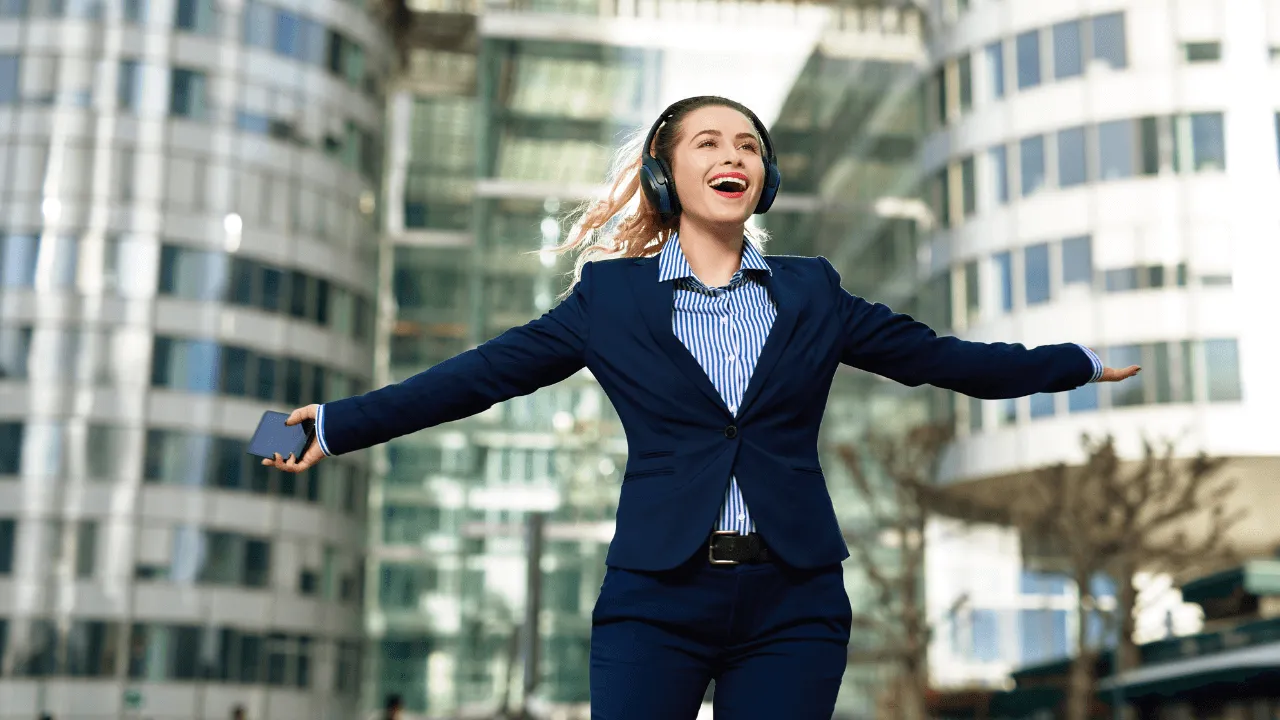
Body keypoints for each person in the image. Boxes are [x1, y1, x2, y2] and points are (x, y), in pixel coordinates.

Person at [263, 96, 1139, 719]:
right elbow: (478, 376)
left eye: (750, 146)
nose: (734, 157)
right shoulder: (610, 300)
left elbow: (943, 359)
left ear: (766, 176)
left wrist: (1074, 363)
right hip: (657, 598)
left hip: (793, 598)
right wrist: (335, 426)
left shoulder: (813, 291)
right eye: (710, 142)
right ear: (665, 171)